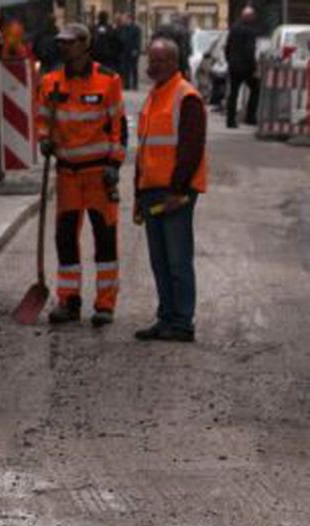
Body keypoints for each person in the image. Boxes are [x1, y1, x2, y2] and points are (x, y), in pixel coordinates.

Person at [36, 23, 127, 327]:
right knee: (65, 239)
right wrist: (44, 138)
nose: (63, 47)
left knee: (105, 239)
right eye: (61, 42)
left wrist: (115, 164)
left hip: (99, 173)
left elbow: (118, 126)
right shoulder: (50, 81)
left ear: (85, 45)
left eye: (70, 42)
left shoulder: (109, 80)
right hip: (67, 174)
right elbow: (43, 118)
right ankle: (69, 301)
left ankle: (105, 305)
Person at [133, 38, 206, 342]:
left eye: (161, 60)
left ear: (175, 62)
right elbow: (144, 149)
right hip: (152, 190)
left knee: (177, 260)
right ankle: (166, 319)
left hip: (175, 192)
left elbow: (191, 149)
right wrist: (138, 194)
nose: (154, 65)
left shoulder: (186, 96)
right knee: (160, 261)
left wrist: (178, 190)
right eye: (152, 59)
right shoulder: (154, 96)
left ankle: (182, 323)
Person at [225, 6, 262, 128]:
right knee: (256, 89)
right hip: (246, 67)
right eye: (253, 16)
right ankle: (250, 116)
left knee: (233, 93)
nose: (254, 18)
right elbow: (249, 50)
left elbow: (227, 47)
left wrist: (229, 60)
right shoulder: (250, 31)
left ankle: (230, 120)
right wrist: (254, 67)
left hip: (233, 66)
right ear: (249, 17)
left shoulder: (234, 28)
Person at [115, 13, 143, 90]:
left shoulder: (136, 28)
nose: (124, 20)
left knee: (133, 68)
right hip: (124, 51)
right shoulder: (122, 28)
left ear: (130, 19)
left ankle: (135, 85)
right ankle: (126, 84)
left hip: (133, 51)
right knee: (125, 68)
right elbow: (120, 38)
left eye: (125, 19)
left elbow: (138, 40)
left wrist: (136, 50)